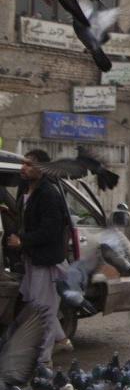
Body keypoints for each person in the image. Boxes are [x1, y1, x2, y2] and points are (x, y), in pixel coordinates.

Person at [5, 150, 72, 361]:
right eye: (23, 163)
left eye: (29, 165)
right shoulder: (26, 188)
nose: (23, 168)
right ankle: (62, 340)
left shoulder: (49, 194)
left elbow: (50, 230)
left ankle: (43, 362)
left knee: (41, 312)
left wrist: (22, 240)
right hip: (33, 259)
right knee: (39, 305)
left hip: (47, 262)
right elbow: (26, 218)